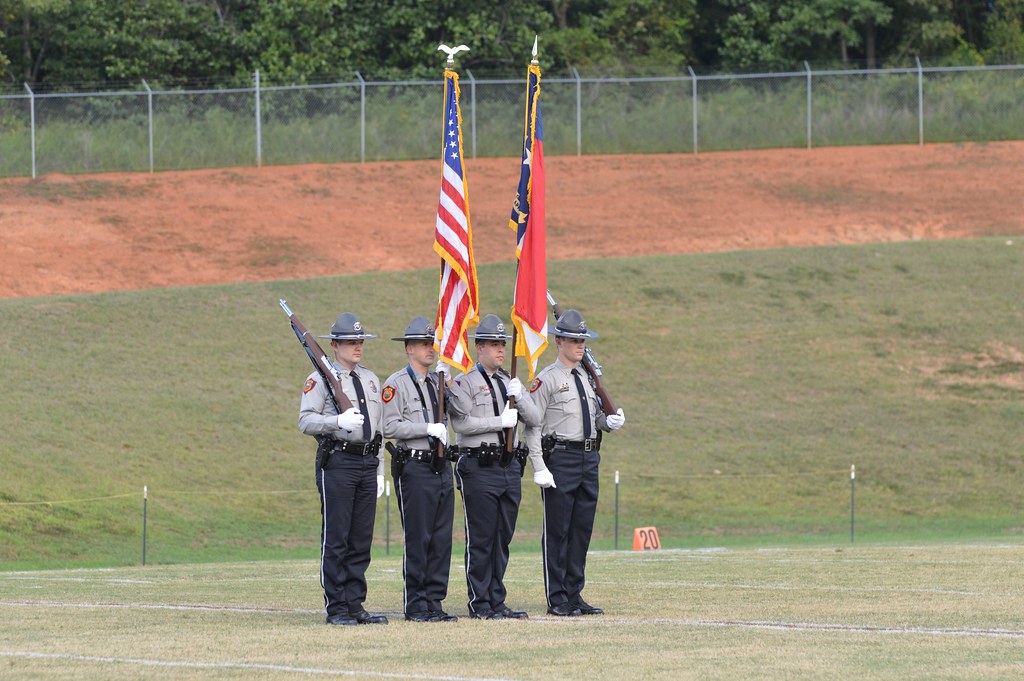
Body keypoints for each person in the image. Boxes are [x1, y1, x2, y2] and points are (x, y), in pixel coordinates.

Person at [524, 309, 626, 617]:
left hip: (588, 457)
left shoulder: (585, 377)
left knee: (581, 529)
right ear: (559, 341)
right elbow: (533, 425)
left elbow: (591, 417)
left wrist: (607, 421)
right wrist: (539, 465)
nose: (580, 345)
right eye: (573, 339)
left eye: (582, 339)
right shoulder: (547, 379)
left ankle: (574, 593)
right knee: (558, 530)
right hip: (561, 458)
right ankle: (557, 598)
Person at [446, 314, 540, 620]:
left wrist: (520, 397)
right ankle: (480, 601)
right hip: (478, 465)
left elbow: (536, 419)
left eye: (503, 343)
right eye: (494, 344)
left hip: (508, 466)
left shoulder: (507, 382)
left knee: (503, 536)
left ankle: (497, 599)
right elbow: (461, 422)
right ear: (479, 348)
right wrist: (498, 422)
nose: (501, 350)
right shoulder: (466, 383)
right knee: (482, 536)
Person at [298, 311, 388, 626]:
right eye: (350, 341)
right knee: (337, 537)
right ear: (334, 346)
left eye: (360, 340)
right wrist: (336, 421)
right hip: (338, 461)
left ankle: (355, 604)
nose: (357, 346)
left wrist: (379, 471)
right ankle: (337, 606)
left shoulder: (371, 379)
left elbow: (379, 430)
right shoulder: (320, 379)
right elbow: (305, 420)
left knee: (361, 538)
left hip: (367, 462)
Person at [381, 316, 458, 623]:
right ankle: (416, 604)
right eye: (424, 344)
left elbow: (460, 412)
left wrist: (448, 383)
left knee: (441, 538)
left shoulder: (436, 382)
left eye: (432, 344)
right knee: (419, 536)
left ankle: (434, 601)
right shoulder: (396, 383)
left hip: (441, 466)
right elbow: (389, 425)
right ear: (409, 349)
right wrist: (425, 427)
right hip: (414, 465)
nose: (430, 349)